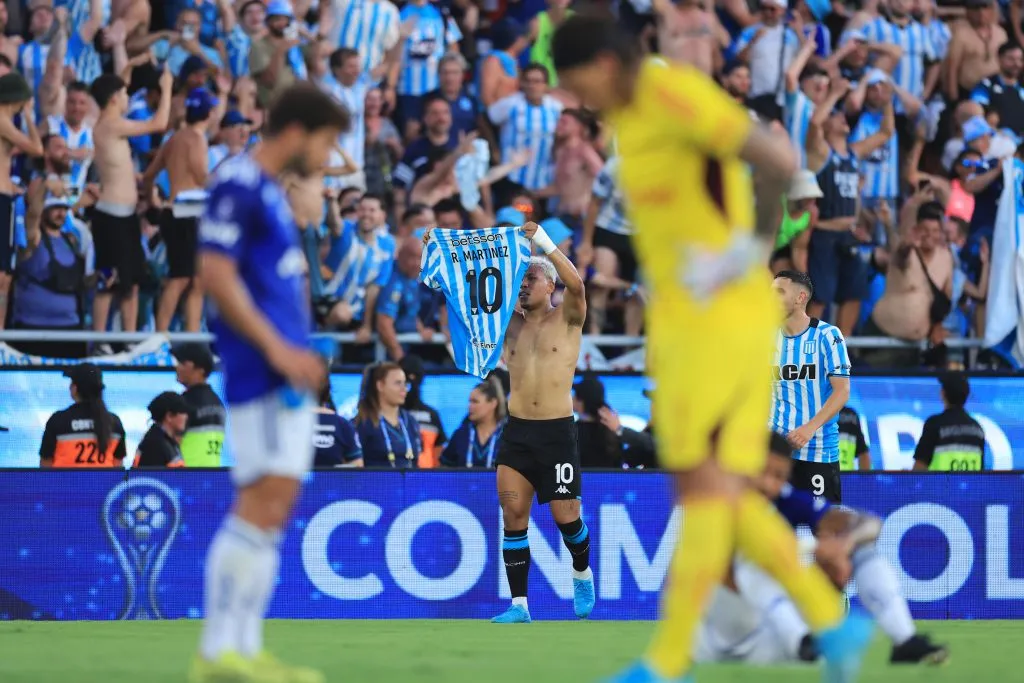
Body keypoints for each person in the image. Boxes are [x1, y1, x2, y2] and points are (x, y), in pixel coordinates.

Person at [552, 15, 870, 683]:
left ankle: (667, 661)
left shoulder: (673, 95)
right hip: (681, 325)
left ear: (605, 66)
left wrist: (746, 251)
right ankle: (832, 621)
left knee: (703, 489)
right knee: (719, 492)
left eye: (577, 83)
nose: (576, 100)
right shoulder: (627, 122)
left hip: (724, 319)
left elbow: (779, 164)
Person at [193, 83, 348, 683]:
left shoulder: (269, 193)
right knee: (260, 500)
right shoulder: (238, 181)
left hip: (286, 371)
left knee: (275, 504)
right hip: (261, 368)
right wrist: (280, 349)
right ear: (298, 131)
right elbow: (214, 273)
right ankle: (218, 651)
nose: (330, 156)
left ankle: (244, 649)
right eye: (329, 140)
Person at [696, 432, 949, 666]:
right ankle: (803, 641)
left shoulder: (787, 500)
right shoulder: (723, 504)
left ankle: (903, 640)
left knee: (863, 552)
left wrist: (842, 545)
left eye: (779, 476)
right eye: (763, 471)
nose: (769, 484)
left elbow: (870, 524)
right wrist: (806, 553)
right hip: (721, 634)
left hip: (772, 636)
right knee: (755, 561)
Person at [490, 220, 595, 624]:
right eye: (519, 279)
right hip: (518, 432)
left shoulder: (568, 317)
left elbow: (579, 285)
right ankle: (519, 606)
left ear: (550, 285)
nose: (522, 285)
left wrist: (543, 243)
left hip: (556, 433)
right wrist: (442, 249)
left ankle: (581, 573)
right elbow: (467, 295)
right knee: (513, 516)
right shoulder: (508, 323)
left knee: (566, 519)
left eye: (530, 278)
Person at [91, 68, 172, 335]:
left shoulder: (113, 126)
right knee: (108, 280)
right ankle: (99, 339)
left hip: (125, 216)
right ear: (114, 98)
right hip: (111, 216)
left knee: (131, 282)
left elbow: (119, 166)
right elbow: (159, 124)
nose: (127, 97)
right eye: (124, 93)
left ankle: (129, 340)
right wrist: (167, 87)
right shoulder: (111, 125)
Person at [771, 270, 852, 502]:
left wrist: (809, 428)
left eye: (779, 292)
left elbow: (842, 390)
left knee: (823, 530)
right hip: (776, 455)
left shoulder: (828, 335)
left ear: (800, 297)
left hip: (818, 451)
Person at [143, 86, 217, 332]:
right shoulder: (197, 139)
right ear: (209, 114)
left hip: (174, 211)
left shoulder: (173, 138)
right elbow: (200, 174)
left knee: (196, 280)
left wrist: (154, 197)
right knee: (182, 278)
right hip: (188, 212)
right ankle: (161, 336)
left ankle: (191, 334)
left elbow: (149, 174)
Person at [0, 73, 42, 330]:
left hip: (5, 195)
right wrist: (28, 115)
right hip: (0, 199)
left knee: (4, 275)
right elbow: (37, 149)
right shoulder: (3, 120)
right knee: (1, 275)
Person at [39, 363, 127, 468]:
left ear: (74, 388)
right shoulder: (114, 423)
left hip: (64, 484)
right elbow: (118, 467)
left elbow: (45, 467)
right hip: (103, 484)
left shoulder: (57, 421)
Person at [352, 362, 422, 468]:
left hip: (409, 483)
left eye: (405, 383)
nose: (404, 389)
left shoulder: (411, 421)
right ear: (380, 386)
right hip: (375, 483)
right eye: (398, 383)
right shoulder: (363, 423)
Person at [913, 372, 986, 471]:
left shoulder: (934, 424)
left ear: (942, 393)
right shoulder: (978, 429)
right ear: (967, 395)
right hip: (970, 486)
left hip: (940, 486)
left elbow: (919, 469)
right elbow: (982, 474)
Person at [173, 343, 226, 468]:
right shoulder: (218, 402)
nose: (177, 367)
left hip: (185, 478)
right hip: (212, 478)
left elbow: (171, 444)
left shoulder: (184, 403)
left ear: (200, 369)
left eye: (183, 363)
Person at [441, 376, 507, 468]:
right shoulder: (461, 434)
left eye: (475, 402)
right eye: (469, 402)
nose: (470, 406)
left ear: (493, 403)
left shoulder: (508, 435)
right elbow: (445, 467)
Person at [399, 354, 448, 468]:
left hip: (427, 479)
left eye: (415, 377)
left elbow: (438, 456)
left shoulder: (432, 415)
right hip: (398, 477)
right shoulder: (389, 415)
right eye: (405, 378)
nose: (409, 384)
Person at [313, 376, 363, 468]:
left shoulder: (286, 423)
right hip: (333, 481)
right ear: (328, 393)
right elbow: (357, 464)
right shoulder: (343, 424)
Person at [573, 375, 622, 469]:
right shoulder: (612, 431)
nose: (572, 398)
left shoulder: (571, 432)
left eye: (574, 395)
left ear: (581, 401)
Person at [133, 391, 189, 468]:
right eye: (183, 412)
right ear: (169, 416)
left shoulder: (166, 441)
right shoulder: (155, 444)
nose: (186, 417)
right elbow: (151, 478)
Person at [838, 406, 872, 471]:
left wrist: (865, 479)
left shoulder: (850, 415)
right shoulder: (815, 412)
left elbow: (863, 452)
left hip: (846, 477)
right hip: (820, 477)